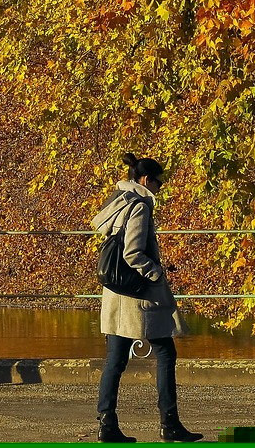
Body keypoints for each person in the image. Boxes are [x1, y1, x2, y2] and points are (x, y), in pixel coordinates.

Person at [92, 153, 202, 443]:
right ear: (145, 180)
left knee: (115, 360)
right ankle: (170, 424)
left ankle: (107, 425)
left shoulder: (117, 202)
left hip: (114, 294)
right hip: (137, 296)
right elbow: (132, 253)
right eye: (158, 182)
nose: (159, 188)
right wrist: (156, 273)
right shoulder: (140, 206)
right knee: (166, 352)